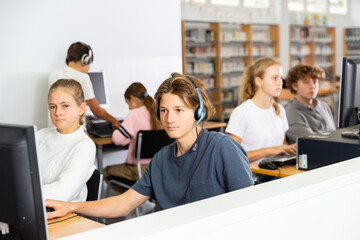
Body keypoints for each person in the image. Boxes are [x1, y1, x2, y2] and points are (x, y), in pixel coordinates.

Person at [45, 73, 254, 219]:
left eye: (179, 110)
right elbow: (123, 203)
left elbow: (251, 208)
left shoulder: (223, 148)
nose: (169, 119)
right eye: (164, 110)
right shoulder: (161, 160)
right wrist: (72, 206)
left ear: (198, 113)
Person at [226, 57, 296, 164]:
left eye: (281, 78)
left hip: (275, 171)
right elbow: (232, 156)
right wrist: (270, 150)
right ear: (259, 81)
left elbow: (283, 146)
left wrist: (291, 149)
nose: (280, 83)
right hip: (252, 177)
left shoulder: (280, 110)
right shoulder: (241, 113)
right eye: (274, 78)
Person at [37, 79, 96, 202]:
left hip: (65, 215)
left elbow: (62, 193)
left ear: (81, 108)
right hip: (33, 206)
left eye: (65, 106)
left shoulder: (84, 146)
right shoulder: (41, 135)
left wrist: (18, 193)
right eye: (53, 106)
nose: (58, 113)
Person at [48, 42, 120, 128]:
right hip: (73, 133)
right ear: (85, 60)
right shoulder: (83, 77)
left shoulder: (53, 74)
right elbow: (96, 110)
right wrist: (115, 121)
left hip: (54, 129)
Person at [103, 82, 162, 181]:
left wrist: (119, 129)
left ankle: (133, 195)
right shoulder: (158, 113)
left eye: (128, 103)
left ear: (133, 99)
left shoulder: (134, 114)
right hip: (157, 169)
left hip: (137, 170)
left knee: (105, 171)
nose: (129, 107)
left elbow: (117, 140)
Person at [285, 64, 336, 144]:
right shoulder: (291, 112)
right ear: (295, 86)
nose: (312, 86)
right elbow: (311, 142)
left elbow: (334, 134)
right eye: (306, 83)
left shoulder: (324, 106)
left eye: (315, 82)